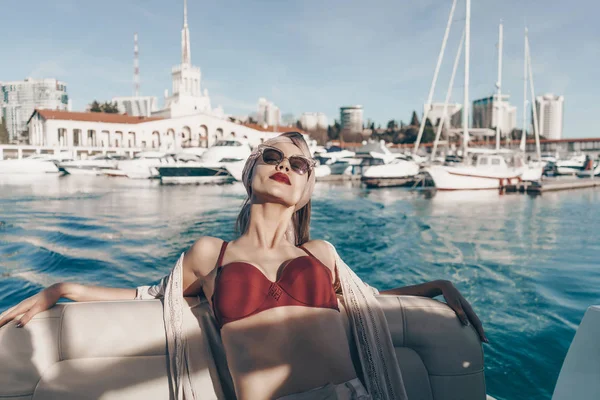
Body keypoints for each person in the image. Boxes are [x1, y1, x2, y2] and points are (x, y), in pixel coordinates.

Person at [0, 132, 487, 400]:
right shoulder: (211, 254)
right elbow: (152, 297)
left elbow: (366, 300)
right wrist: (60, 287)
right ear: (248, 171)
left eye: (300, 165)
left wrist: (436, 286)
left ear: (307, 189)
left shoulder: (321, 253)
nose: (285, 165)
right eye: (273, 156)